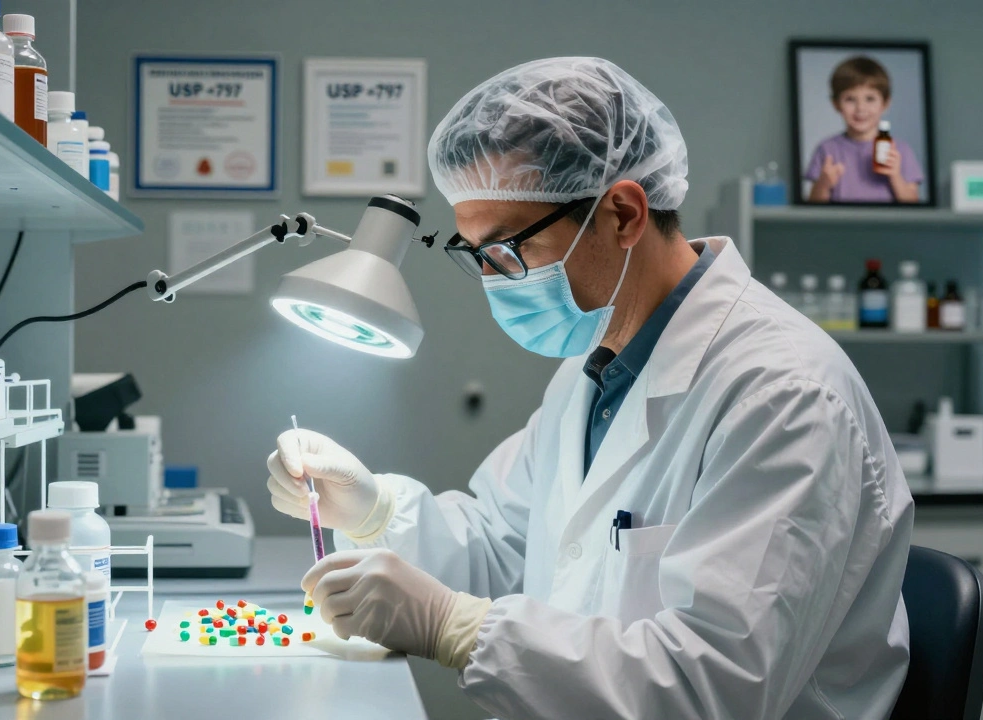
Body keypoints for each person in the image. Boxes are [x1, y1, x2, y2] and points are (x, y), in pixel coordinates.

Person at [267, 57, 913, 720]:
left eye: (506, 249)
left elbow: (712, 687)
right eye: (475, 256)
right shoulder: (602, 368)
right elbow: (503, 546)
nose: (495, 281)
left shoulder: (785, 397)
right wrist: (373, 510)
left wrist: (456, 627)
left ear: (624, 214)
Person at [806, 55, 925, 203]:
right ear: (835, 104)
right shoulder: (827, 149)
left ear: (885, 103)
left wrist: (895, 175)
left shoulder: (900, 150)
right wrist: (823, 184)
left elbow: (913, 203)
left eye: (870, 99)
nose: (861, 108)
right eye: (850, 99)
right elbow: (813, 205)